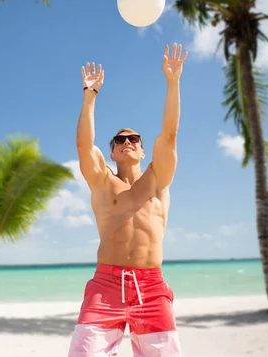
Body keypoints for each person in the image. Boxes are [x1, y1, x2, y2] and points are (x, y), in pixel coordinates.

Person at [67, 43, 188, 357]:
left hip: (152, 288)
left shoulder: (158, 180)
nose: (126, 142)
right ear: (112, 151)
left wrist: (173, 83)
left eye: (133, 138)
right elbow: (83, 147)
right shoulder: (103, 182)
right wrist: (89, 96)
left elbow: (170, 135)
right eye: (119, 140)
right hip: (106, 287)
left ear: (143, 150)